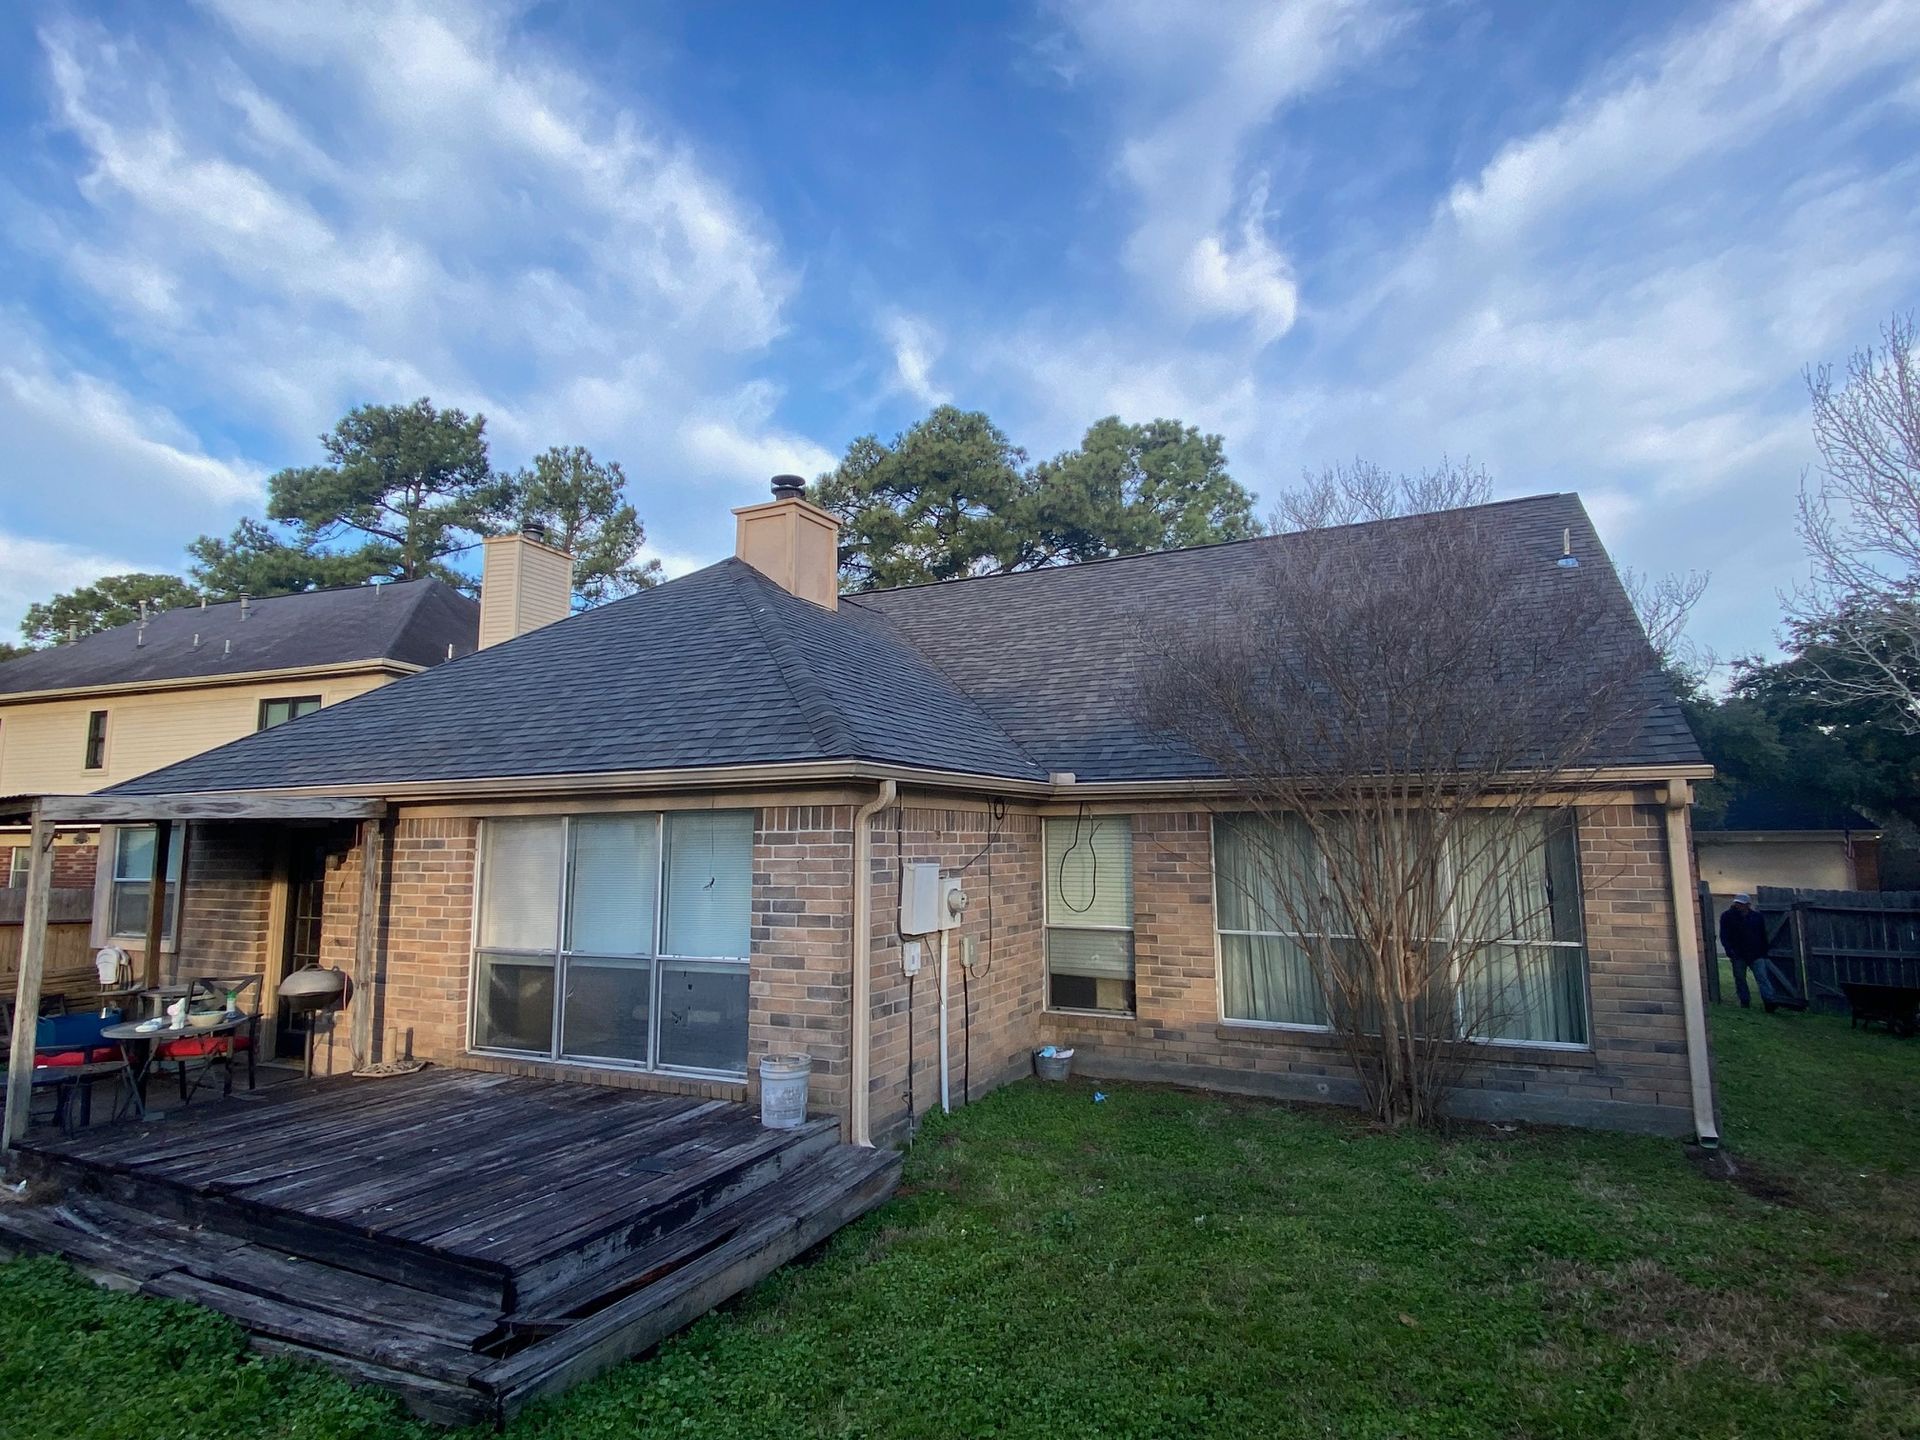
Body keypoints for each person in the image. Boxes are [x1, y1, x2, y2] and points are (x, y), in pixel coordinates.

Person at [1719, 893, 1780, 1012]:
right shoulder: (1727, 916)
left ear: (1747, 905)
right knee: (1740, 978)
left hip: (1756, 953)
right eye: (1737, 903)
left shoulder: (1757, 917)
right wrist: (1729, 951)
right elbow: (1724, 935)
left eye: (1741, 904)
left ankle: (1769, 1001)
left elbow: (1762, 935)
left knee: (1762, 977)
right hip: (1738, 953)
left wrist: (1764, 951)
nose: (1738, 906)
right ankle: (1745, 1001)